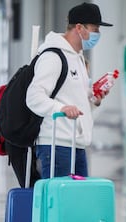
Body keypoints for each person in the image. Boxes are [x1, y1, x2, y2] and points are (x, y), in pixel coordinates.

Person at [25, 2, 113, 179]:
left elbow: (72, 99)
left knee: (78, 202)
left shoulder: (78, 58)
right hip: (56, 145)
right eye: (95, 29)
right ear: (79, 28)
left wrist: (93, 100)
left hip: (76, 144)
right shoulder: (53, 56)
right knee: (61, 203)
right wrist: (60, 109)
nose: (98, 34)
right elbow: (33, 97)